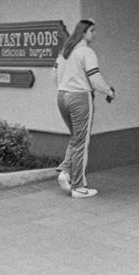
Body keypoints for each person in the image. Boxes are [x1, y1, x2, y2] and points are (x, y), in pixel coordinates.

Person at [54, 19, 115, 198]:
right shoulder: (86, 52)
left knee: (76, 137)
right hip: (80, 98)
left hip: (62, 95)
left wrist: (67, 84)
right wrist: (109, 92)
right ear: (83, 33)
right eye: (92, 31)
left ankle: (65, 171)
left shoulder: (65, 51)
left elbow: (54, 74)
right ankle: (79, 187)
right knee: (82, 142)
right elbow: (95, 79)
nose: (94, 34)